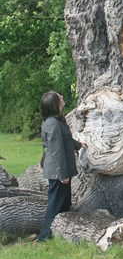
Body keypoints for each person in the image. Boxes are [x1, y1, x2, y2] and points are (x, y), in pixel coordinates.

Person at [37, 91, 85, 242]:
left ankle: (58, 234)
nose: (62, 97)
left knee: (63, 204)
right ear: (54, 104)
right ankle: (44, 237)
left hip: (59, 171)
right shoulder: (52, 123)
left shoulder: (55, 121)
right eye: (59, 97)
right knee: (55, 205)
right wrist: (63, 175)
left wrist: (79, 145)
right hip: (57, 172)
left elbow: (66, 140)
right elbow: (57, 151)